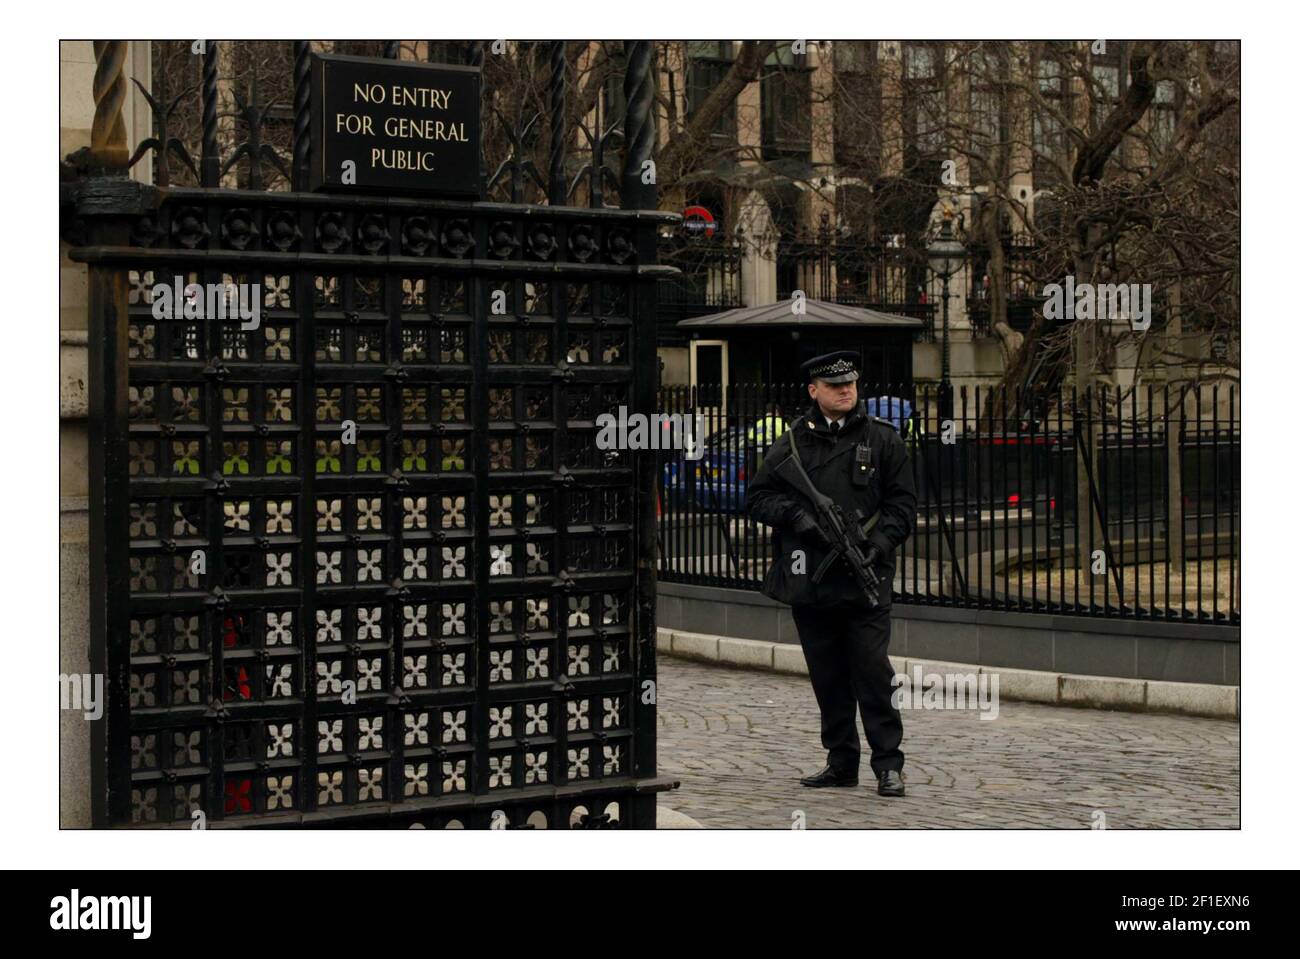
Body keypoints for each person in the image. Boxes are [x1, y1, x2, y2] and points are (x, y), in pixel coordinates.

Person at [745, 351, 918, 797]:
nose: (846, 390)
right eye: (835, 385)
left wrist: (876, 546)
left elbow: (903, 508)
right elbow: (758, 497)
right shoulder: (793, 444)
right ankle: (841, 762)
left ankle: (888, 765)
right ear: (813, 390)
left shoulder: (883, 441)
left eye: (851, 384)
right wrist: (797, 518)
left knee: (872, 672)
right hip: (813, 582)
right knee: (828, 676)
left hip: (866, 579)